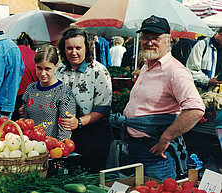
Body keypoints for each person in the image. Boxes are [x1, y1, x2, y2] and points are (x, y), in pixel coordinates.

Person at [122, 15, 205, 181]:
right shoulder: (147, 65)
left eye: (156, 38)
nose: (149, 42)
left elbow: (196, 109)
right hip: (134, 148)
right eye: (145, 37)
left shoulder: (175, 71)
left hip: (156, 154)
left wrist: (166, 137)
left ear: (168, 41)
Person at [56, 26, 114, 173]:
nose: (73, 52)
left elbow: (103, 108)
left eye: (78, 47)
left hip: (93, 136)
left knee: (90, 179)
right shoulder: (59, 70)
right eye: (69, 48)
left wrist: (79, 122)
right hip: (66, 136)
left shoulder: (98, 71)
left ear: (87, 49)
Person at [19, 46, 76, 140]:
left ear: (56, 66)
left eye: (47, 69)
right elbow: (26, 120)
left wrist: (57, 149)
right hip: (30, 147)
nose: (42, 73)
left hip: (52, 147)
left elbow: (65, 130)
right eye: (39, 68)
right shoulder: (31, 88)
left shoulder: (64, 92)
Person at [12, 32, 38, 121]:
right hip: (32, 96)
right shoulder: (35, 56)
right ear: (29, 45)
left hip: (13, 97)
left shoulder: (12, 54)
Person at [186, 27, 222, 92]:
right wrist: (208, 81)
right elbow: (191, 70)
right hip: (201, 94)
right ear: (221, 35)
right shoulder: (202, 45)